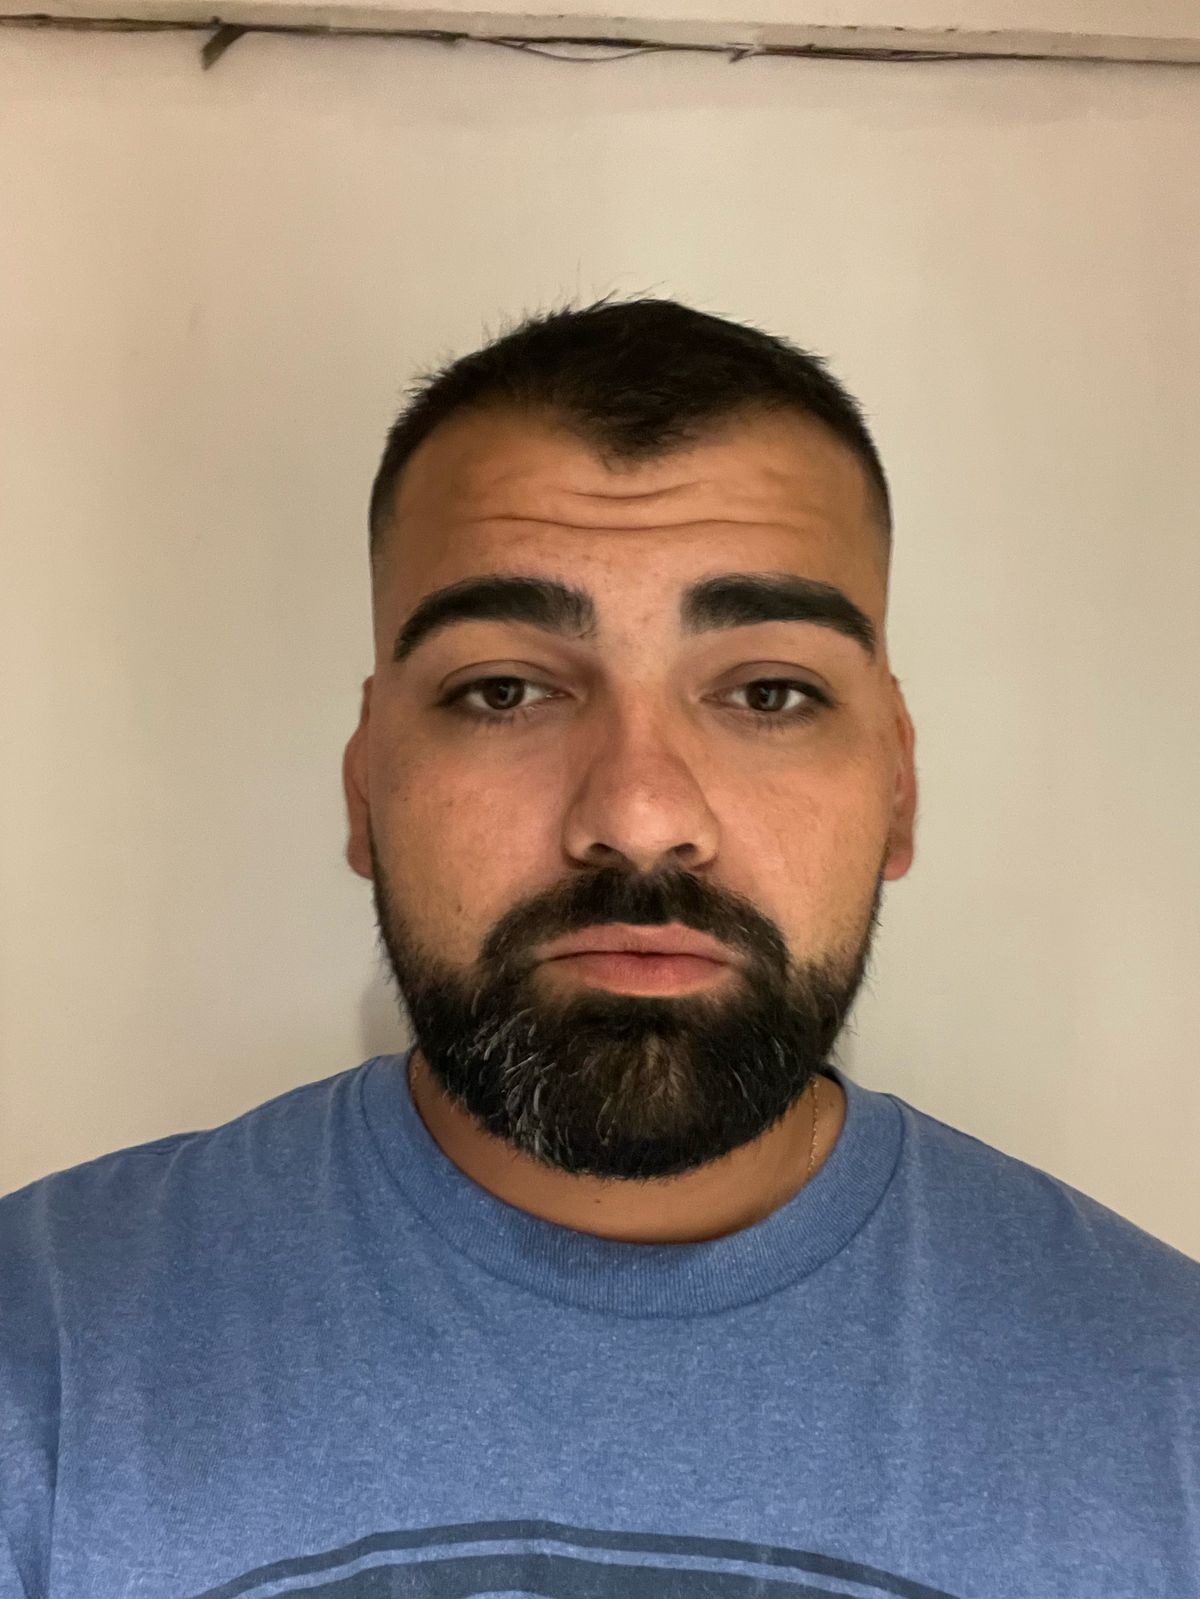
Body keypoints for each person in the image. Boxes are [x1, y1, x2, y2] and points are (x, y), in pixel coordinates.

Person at [1, 296, 1196, 1599]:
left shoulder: (1166, 1404)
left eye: (770, 693)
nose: (637, 813)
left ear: (898, 790)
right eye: (503, 690)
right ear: (364, 787)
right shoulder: (42, 1350)